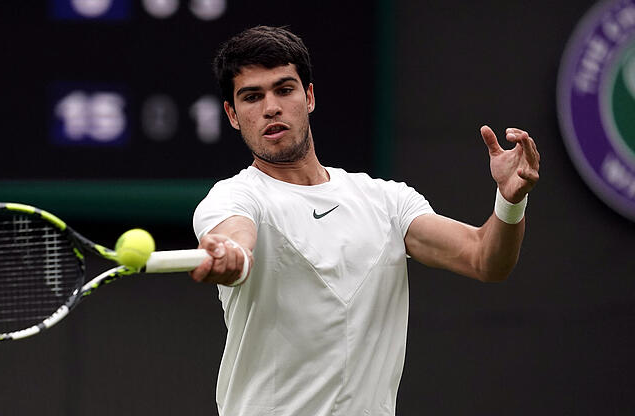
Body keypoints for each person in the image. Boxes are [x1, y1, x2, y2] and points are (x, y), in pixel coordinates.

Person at [190, 26, 539, 416]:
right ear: (232, 115)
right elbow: (235, 238)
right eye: (252, 97)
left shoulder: (386, 201)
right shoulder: (234, 197)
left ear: (308, 97)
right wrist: (231, 256)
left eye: (284, 90)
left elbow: (484, 259)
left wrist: (509, 202)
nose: (270, 107)